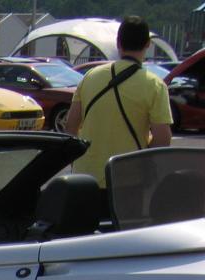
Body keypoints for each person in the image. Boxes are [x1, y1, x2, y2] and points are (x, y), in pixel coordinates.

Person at [65, 16, 172, 197]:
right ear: (148, 44)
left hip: (86, 177)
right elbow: (162, 139)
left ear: (118, 42)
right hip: (128, 177)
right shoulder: (154, 85)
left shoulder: (90, 76)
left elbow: (70, 126)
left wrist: (76, 162)